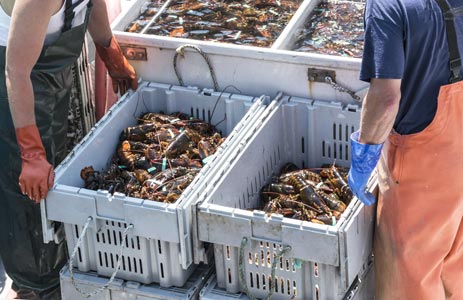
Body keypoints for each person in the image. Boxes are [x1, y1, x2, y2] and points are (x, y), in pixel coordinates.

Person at [0, 0, 138, 299]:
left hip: (47, 71)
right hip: (14, 79)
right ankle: (33, 285)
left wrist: (107, 48)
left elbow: (91, 3)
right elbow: (15, 73)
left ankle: (54, 269)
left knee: (54, 170)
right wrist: (31, 153)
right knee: (23, 190)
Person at [348, 0, 462, 299]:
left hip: (424, 162)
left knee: (410, 274)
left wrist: (365, 154)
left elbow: (386, 99)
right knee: (457, 262)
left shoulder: (388, 5)